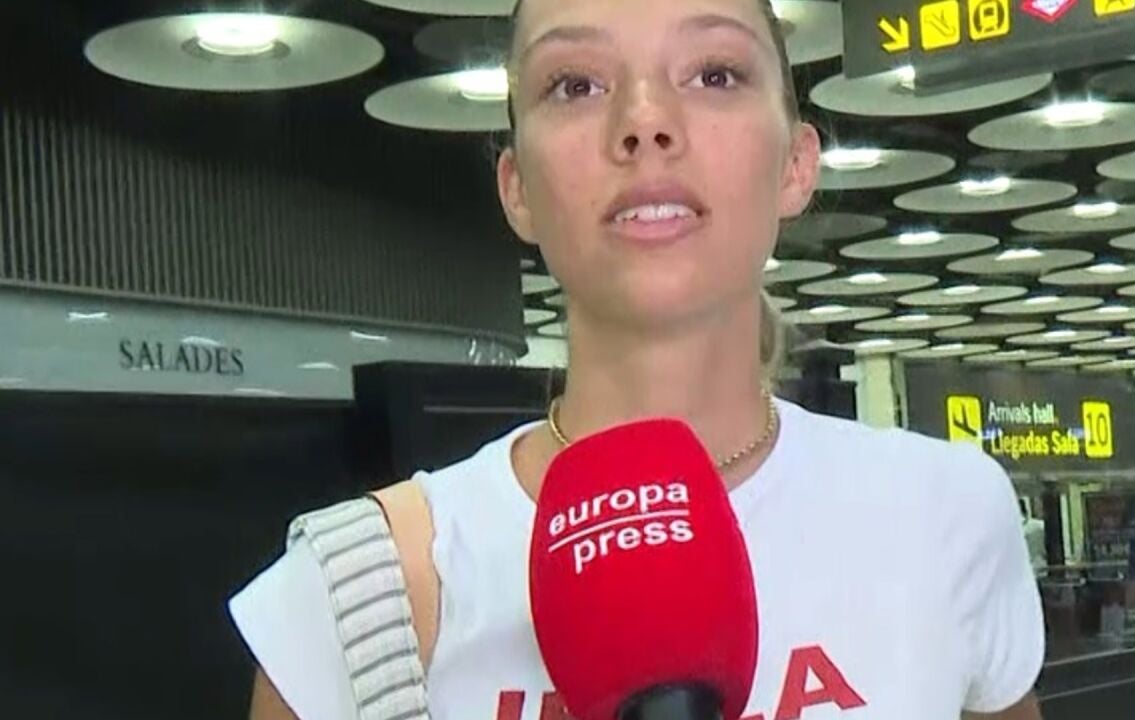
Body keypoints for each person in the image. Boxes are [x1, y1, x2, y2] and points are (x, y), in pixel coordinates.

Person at [228, 1, 1045, 719]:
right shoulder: (355, 592)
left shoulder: (946, 514)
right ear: (517, 187)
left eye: (715, 74)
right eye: (575, 84)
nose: (645, 121)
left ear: (797, 164)